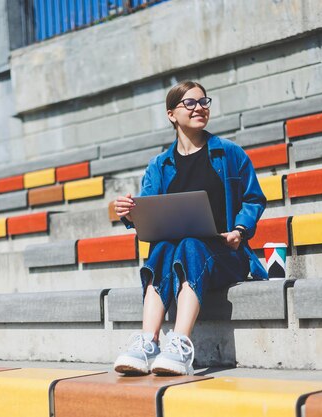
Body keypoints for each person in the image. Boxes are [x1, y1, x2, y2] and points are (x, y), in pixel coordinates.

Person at [112, 80, 268, 376]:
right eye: (191, 103)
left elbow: (253, 199)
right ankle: (148, 342)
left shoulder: (229, 153)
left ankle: (181, 344)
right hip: (178, 255)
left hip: (226, 254)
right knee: (164, 246)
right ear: (172, 114)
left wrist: (239, 230)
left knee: (191, 244)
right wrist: (131, 214)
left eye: (204, 102)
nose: (200, 108)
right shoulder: (159, 165)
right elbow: (149, 212)